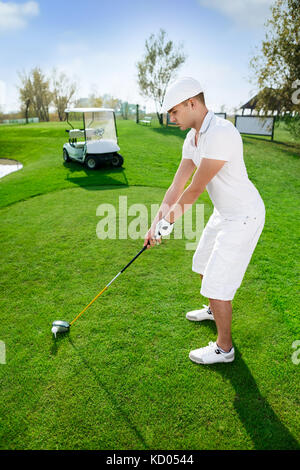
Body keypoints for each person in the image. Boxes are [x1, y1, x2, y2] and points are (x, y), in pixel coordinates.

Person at [144, 77, 265, 365]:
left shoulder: (221, 133)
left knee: (216, 283)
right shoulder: (192, 137)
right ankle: (213, 310)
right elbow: (177, 185)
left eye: (174, 112)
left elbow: (195, 189)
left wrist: (166, 225)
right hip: (223, 213)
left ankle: (225, 349)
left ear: (192, 103)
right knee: (201, 263)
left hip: (243, 216)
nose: (172, 118)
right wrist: (155, 222)